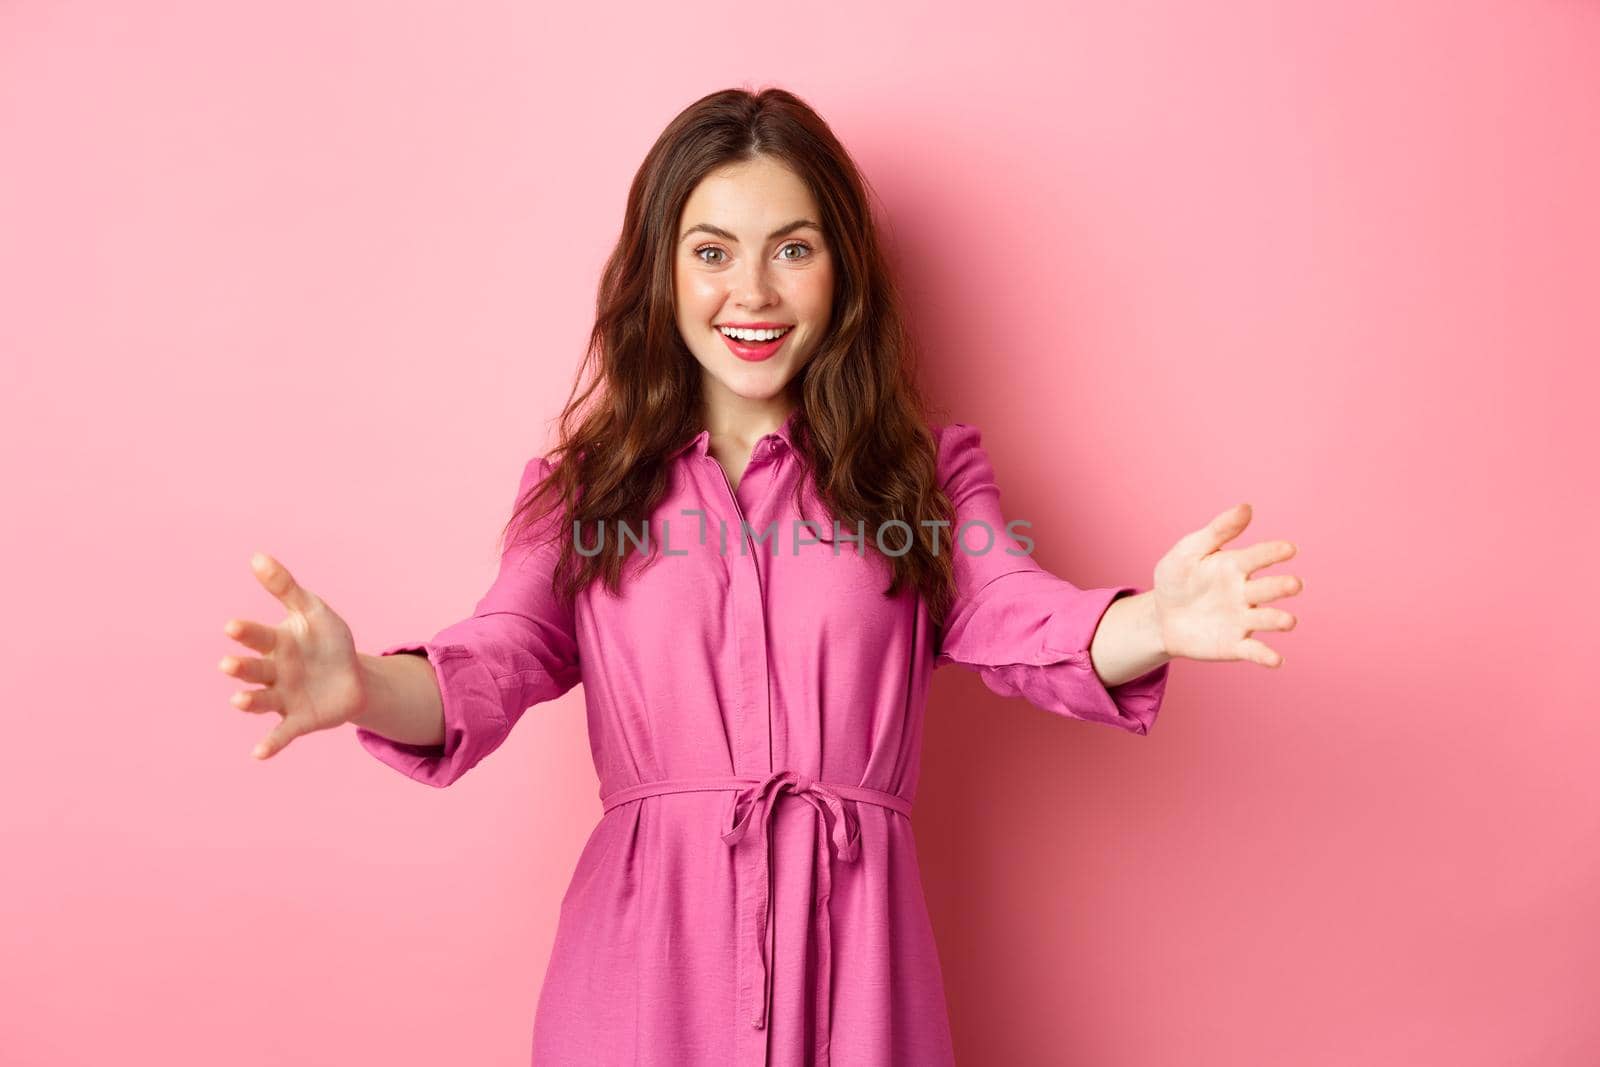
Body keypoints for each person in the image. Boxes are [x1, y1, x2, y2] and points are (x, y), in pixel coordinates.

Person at [218, 87, 1302, 1067]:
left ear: (843, 271)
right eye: (712, 250)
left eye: (792, 249)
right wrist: (361, 683)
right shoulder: (583, 488)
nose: (752, 291)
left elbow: (1013, 611)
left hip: (858, 962)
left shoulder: (919, 476)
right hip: (642, 966)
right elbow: (496, 653)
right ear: (661, 269)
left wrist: (1155, 618)